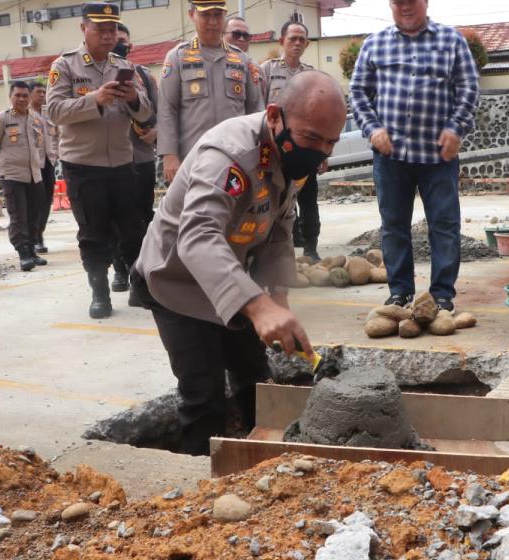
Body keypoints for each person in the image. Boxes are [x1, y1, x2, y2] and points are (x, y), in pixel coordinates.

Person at [131, 71, 346, 455]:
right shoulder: (229, 155)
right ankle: (198, 480)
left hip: (229, 279)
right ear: (275, 115)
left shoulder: (292, 153)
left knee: (255, 379)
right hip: (174, 281)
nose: (320, 153)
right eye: (312, 139)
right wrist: (258, 306)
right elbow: (197, 238)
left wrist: (277, 298)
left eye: (330, 144)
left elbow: (280, 225)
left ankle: (263, 464)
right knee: (204, 394)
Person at [349, 0, 479, 311]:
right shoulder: (374, 44)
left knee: (444, 225)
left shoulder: (451, 41)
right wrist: (372, 128)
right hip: (390, 156)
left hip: (438, 156)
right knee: (394, 225)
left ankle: (442, 293)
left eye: (412, 1)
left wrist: (456, 128)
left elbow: (469, 88)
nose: (405, 7)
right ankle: (401, 292)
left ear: (425, 2)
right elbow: (357, 93)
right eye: (398, 2)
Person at [46, 2, 152, 319]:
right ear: (84, 28)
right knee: (93, 234)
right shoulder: (64, 66)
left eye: (112, 29)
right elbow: (53, 112)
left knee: (133, 230)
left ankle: (139, 287)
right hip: (83, 165)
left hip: (121, 162)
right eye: (100, 29)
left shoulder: (125, 66)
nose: (108, 35)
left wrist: (133, 97)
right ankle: (100, 293)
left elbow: (146, 113)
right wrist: (95, 100)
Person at [158, 0, 263, 184]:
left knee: (234, 211)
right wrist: (169, 155)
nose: (213, 22)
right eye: (205, 15)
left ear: (225, 16)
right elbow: (167, 109)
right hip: (192, 158)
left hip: (235, 157)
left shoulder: (242, 60)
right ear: (192, 15)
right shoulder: (178, 57)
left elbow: (255, 111)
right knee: (194, 211)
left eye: (217, 15)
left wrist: (259, 152)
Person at [261, 22, 322, 261]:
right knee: (274, 199)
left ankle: (310, 248)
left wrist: (322, 154)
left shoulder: (312, 75)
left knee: (308, 198)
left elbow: (318, 114)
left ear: (307, 44)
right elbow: (258, 110)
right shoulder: (267, 70)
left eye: (301, 40)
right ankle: (275, 250)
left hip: (303, 150)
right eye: (292, 38)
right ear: (281, 41)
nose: (297, 43)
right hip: (274, 149)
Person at [110, 22, 158, 293]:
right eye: (114, 39)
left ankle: (143, 268)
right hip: (112, 159)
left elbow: (161, 112)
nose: (118, 44)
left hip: (141, 157)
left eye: (122, 40)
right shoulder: (99, 74)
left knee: (142, 215)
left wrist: (157, 132)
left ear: (131, 45)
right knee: (116, 218)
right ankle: (119, 269)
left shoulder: (143, 75)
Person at [0, 82, 48, 272]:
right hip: (12, 175)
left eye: (25, 96)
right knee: (18, 215)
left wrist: (39, 167)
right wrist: (1, 171)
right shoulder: (0, 119)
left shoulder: (36, 119)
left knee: (35, 214)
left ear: (29, 97)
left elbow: (41, 147)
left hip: (34, 175)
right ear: (10, 97)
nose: (21, 99)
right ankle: (23, 253)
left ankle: (31, 249)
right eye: (17, 95)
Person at [29, 81, 59, 255]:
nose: (42, 95)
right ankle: (31, 238)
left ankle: (39, 233)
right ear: (30, 93)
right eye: (38, 92)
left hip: (49, 162)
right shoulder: (25, 113)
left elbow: (59, 134)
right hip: (32, 164)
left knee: (46, 200)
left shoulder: (50, 112)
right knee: (33, 201)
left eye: (43, 92)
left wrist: (58, 154)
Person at [223, 16, 266, 99]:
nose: (241, 39)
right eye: (236, 34)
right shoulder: (214, 62)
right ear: (222, 34)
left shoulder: (257, 69)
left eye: (246, 36)